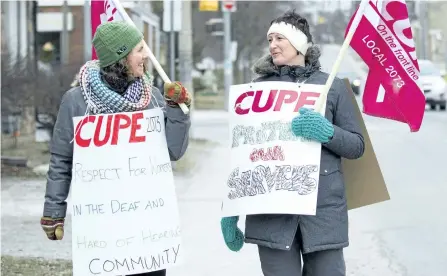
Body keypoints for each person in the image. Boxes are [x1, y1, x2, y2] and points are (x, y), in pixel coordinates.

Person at [40, 21, 191, 276]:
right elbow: (61, 161)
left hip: (146, 227)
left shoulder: (152, 97)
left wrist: (178, 112)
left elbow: (173, 151)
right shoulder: (76, 101)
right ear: (120, 57)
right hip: (102, 226)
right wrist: (54, 211)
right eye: (139, 49)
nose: (146, 55)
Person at [220, 10, 365, 276]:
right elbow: (242, 154)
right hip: (271, 215)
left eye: (279, 38)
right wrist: (230, 210)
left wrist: (326, 132)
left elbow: (357, 146)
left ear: (298, 43)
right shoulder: (257, 90)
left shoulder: (332, 87)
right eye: (270, 39)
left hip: (323, 214)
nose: (272, 44)